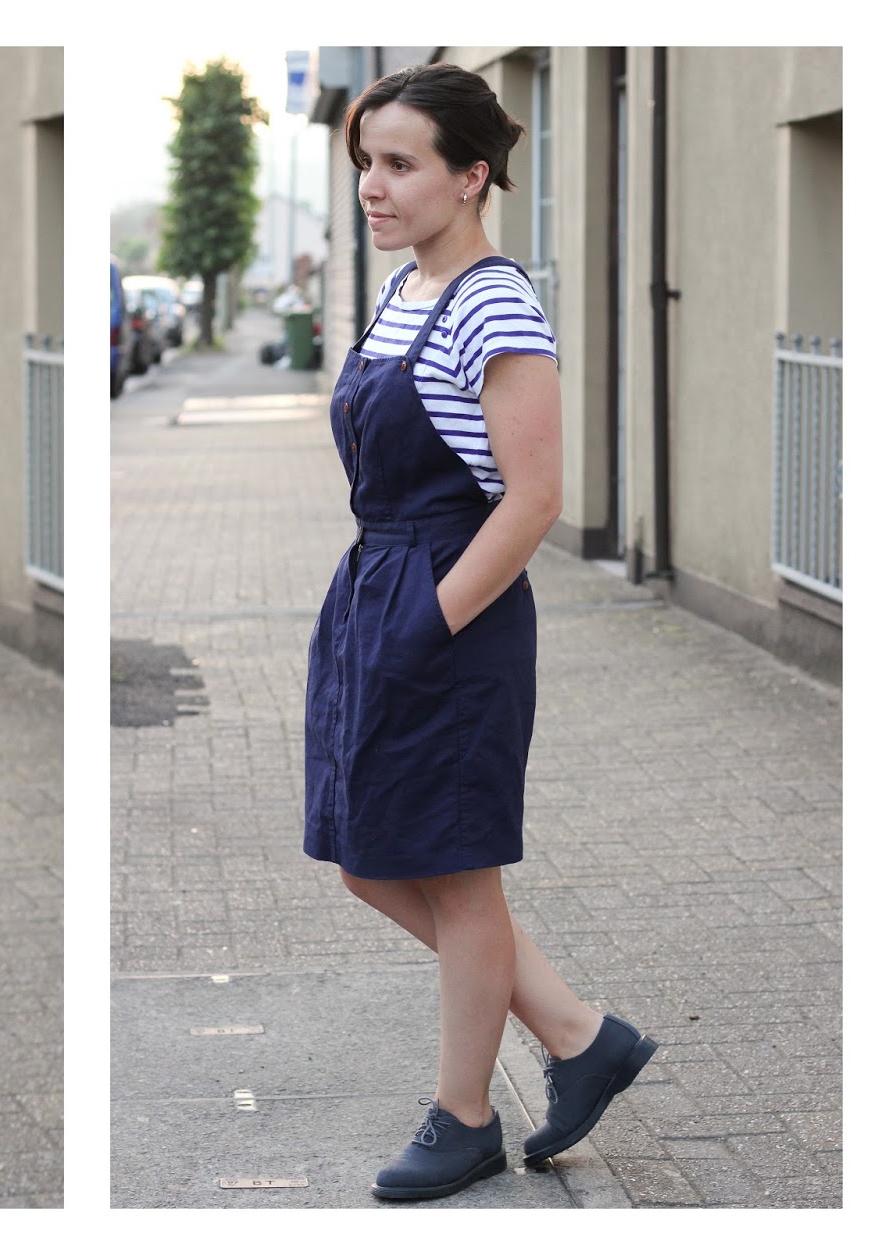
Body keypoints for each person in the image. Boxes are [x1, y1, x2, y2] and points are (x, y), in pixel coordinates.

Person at [303, 63, 656, 1202]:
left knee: (454, 875)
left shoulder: (497, 301)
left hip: (450, 612)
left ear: (470, 176)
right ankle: (578, 1033)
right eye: (366, 160)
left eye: (399, 164)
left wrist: (427, 621)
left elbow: (534, 495)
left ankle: (463, 1116)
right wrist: (386, 614)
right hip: (380, 593)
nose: (374, 184)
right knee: (368, 856)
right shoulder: (406, 291)